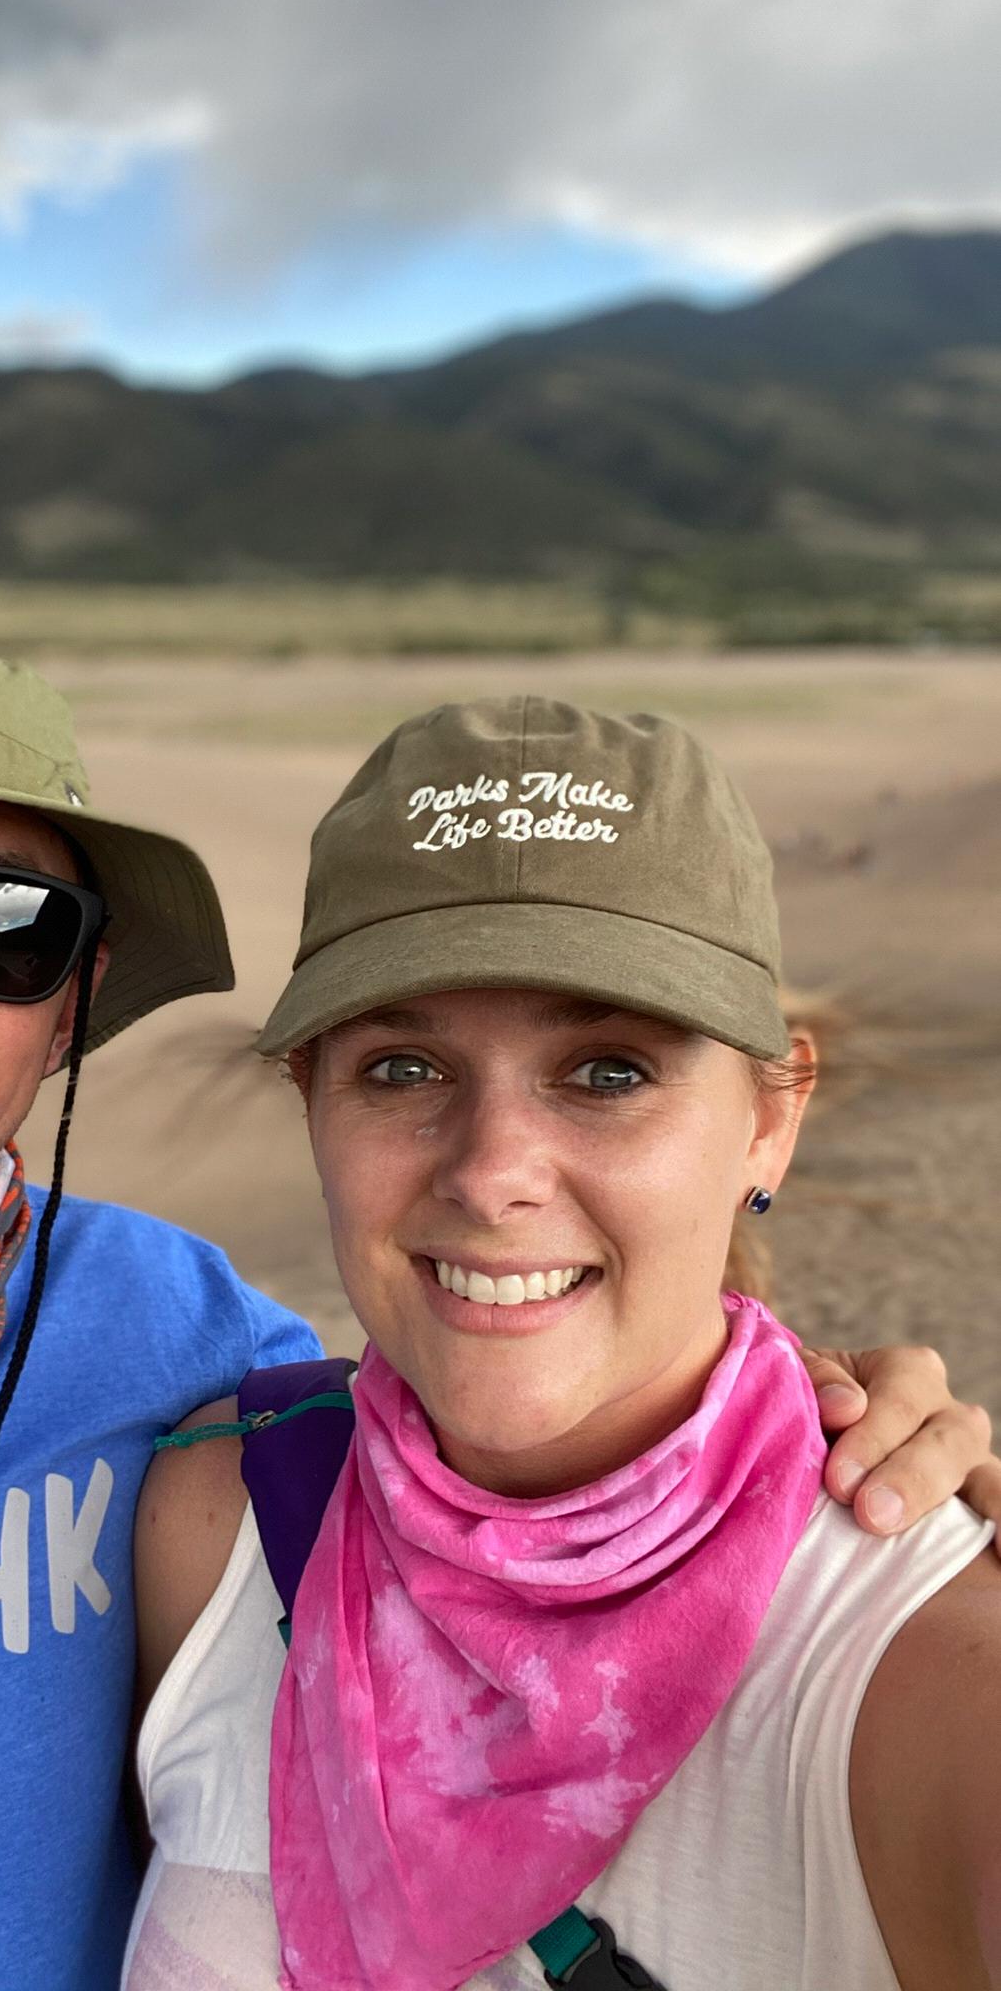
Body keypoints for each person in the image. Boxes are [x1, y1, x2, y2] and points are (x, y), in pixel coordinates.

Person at [0, 647, 989, 1990]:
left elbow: (542, 1400)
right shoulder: (233, 1491)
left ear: (68, 1000)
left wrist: (817, 1417)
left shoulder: (189, 1349)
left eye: (4, 927)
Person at [129, 696, 1001, 1991]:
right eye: (404, 1069)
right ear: (307, 1097)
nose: (491, 1175)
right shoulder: (222, 1523)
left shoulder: (919, 1666)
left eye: (606, 1071)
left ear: (771, 1123)